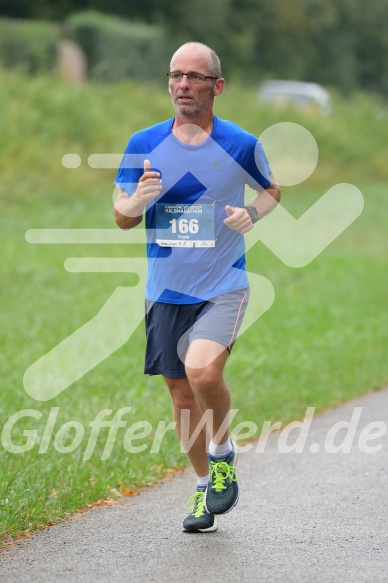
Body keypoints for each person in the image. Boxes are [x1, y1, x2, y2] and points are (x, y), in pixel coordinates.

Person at [113, 42, 281, 533]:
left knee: (202, 372)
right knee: (182, 397)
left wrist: (250, 213)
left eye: (194, 76)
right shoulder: (143, 142)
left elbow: (271, 190)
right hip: (165, 290)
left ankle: (223, 453)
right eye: (175, 75)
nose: (182, 84)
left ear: (217, 86)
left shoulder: (241, 144)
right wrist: (136, 202)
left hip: (223, 284)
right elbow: (121, 217)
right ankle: (206, 487)